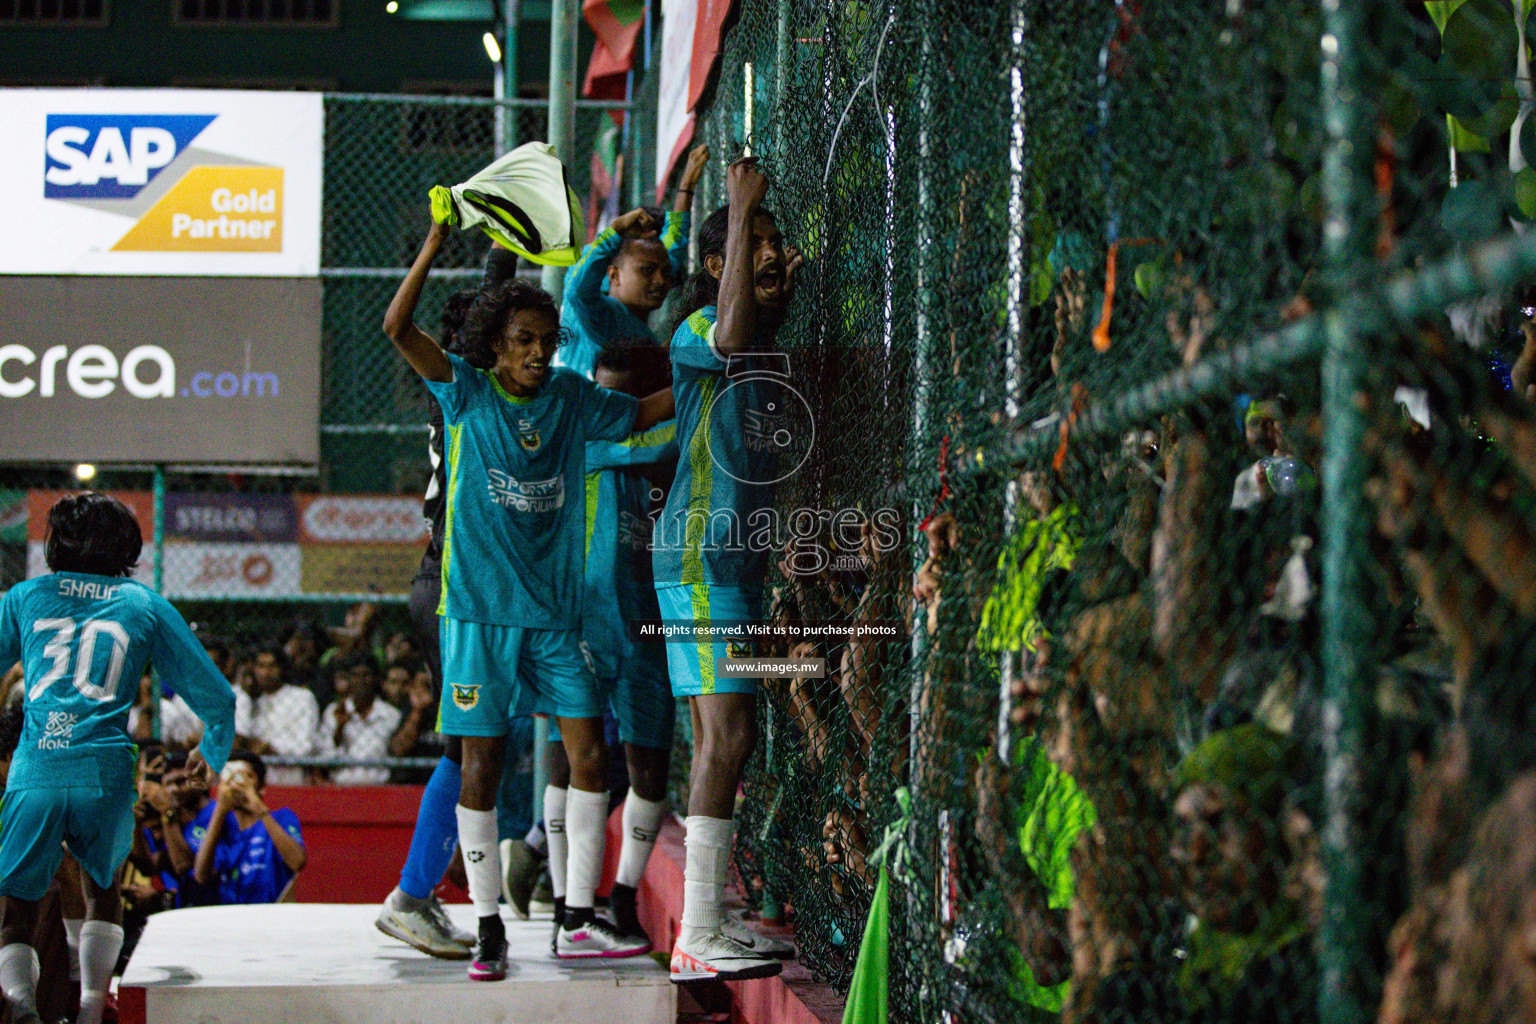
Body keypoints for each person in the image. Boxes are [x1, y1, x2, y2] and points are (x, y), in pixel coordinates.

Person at [382, 216, 674, 979]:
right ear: (493, 346)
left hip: (553, 619)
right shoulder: (464, 392)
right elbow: (395, 324)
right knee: (479, 764)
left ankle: (576, 919)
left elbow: (642, 414)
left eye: (547, 340)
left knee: (586, 754)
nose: (541, 353)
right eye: (525, 341)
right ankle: (486, 929)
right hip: (478, 618)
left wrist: (709, 374)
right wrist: (433, 245)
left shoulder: (573, 398)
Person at [651, 157, 803, 983]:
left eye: (780, 243)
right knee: (730, 734)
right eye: (760, 244)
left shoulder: (761, 335)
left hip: (721, 560)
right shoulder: (696, 329)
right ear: (719, 265)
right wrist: (742, 208)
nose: (775, 254)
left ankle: (706, 922)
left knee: (719, 735)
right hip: (704, 557)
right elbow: (733, 331)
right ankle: (700, 934)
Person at [0, 492, 236, 1024]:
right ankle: (89, 1008)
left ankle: (22, 1011)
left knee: (16, 909)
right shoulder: (142, 604)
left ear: (55, 542)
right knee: (102, 891)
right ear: (127, 546)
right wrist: (213, 747)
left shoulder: (25, 596)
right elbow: (217, 696)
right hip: (103, 773)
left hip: (36, 766)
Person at [375, 258, 512, 963]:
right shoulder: (460, 387)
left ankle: (451, 873)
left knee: (490, 745)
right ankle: (411, 896)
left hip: (466, 587)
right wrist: (498, 254)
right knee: (468, 748)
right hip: (451, 588)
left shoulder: (479, 398)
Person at [533, 344, 680, 949]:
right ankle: (571, 904)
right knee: (570, 763)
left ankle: (619, 898)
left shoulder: (672, 448)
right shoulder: (581, 444)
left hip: (648, 631)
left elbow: (664, 444)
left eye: (620, 402)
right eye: (600, 398)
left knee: (650, 770)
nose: (606, 411)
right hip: (577, 629)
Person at [557, 143, 709, 379]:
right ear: (613, 275)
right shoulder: (599, 315)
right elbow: (576, 291)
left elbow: (672, 249)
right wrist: (615, 231)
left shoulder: (630, 294)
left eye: (665, 272)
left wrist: (686, 186)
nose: (661, 280)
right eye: (647, 270)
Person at [191, 752, 306, 905]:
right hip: (233, 918)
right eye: (230, 777)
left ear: (262, 787)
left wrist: (259, 808)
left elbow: (297, 862)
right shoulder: (221, 826)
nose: (238, 784)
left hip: (273, 916)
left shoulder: (281, 818)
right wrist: (220, 810)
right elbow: (201, 875)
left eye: (247, 777)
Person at [313, 651, 402, 785]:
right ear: (348, 679)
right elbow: (326, 759)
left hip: (380, 789)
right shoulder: (334, 711)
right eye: (355, 675)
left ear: (375, 678)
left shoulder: (391, 714)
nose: (361, 681)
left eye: (366, 675)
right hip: (341, 788)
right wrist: (339, 728)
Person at [235, 643, 319, 786]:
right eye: (260, 666)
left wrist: (270, 749)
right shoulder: (246, 700)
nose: (265, 673)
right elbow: (238, 740)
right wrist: (247, 699)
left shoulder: (301, 697)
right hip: (252, 780)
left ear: (282, 668)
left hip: (289, 778)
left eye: (272, 666)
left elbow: (307, 747)